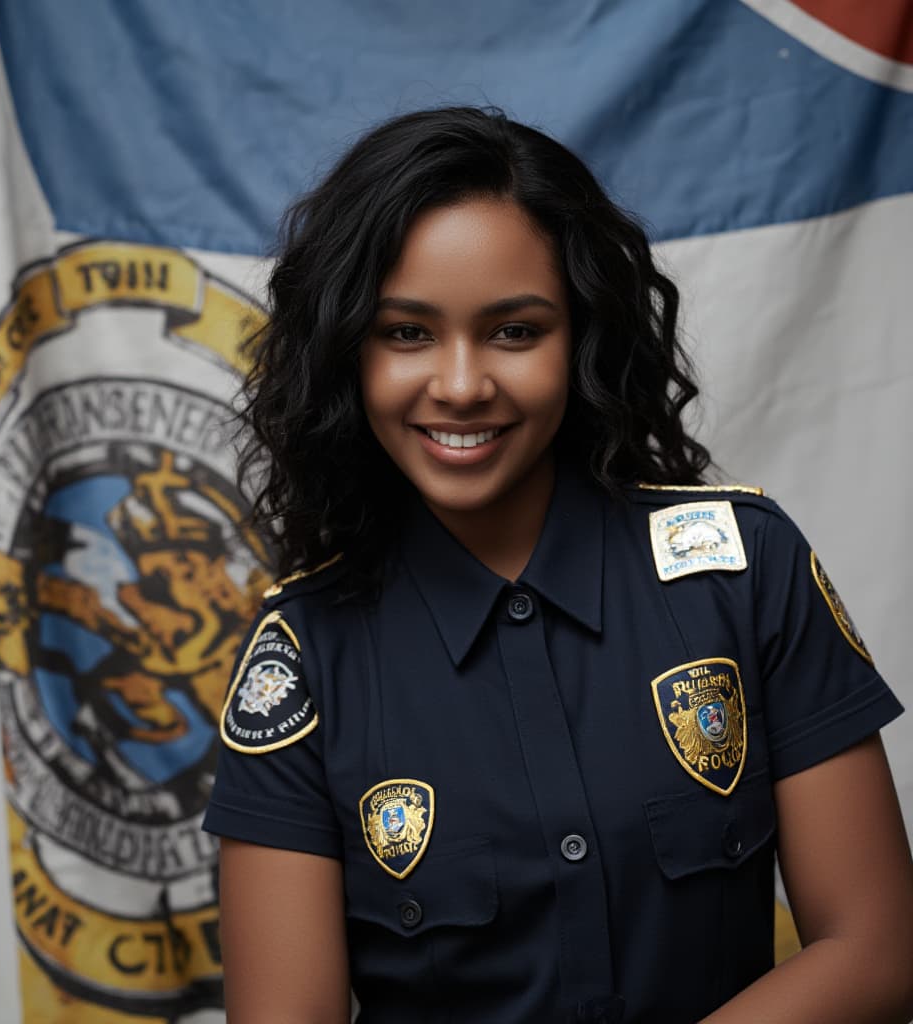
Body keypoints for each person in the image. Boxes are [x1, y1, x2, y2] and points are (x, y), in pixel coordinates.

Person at [202, 107, 913, 1023]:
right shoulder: (300, 659)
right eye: (408, 333)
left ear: (582, 340)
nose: (461, 384)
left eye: (514, 331)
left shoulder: (744, 571)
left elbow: (879, 950)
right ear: (346, 355)